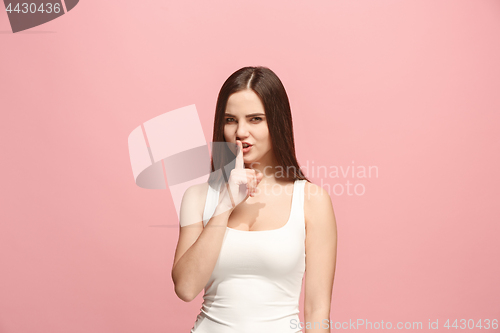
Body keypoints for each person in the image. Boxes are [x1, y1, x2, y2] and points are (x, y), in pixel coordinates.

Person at [171, 66, 337, 333]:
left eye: (255, 119)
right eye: (230, 120)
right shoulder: (198, 197)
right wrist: (224, 205)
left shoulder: (311, 200)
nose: (240, 131)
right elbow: (186, 288)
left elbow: (318, 311)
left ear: (277, 122)